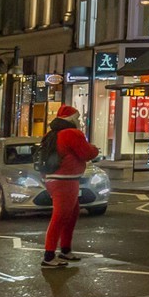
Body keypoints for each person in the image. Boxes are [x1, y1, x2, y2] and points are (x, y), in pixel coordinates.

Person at [40, 105, 99, 269]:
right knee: (60, 217)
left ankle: (65, 250)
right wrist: (95, 149)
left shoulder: (52, 134)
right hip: (65, 180)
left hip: (53, 179)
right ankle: (49, 256)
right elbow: (87, 153)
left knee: (71, 214)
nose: (79, 121)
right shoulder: (72, 134)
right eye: (77, 118)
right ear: (71, 119)